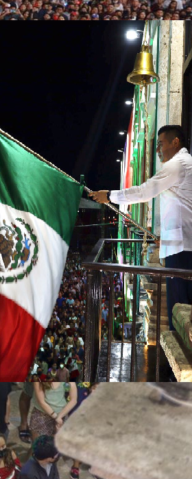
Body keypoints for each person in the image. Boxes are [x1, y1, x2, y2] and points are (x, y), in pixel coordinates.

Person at [90, 124, 192, 331]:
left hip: (182, 248)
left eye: (161, 144)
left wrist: (109, 196)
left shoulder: (178, 164)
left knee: (180, 310)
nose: (158, 150)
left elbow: (145, 191)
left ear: (175, 142)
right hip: (180, 244)